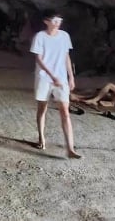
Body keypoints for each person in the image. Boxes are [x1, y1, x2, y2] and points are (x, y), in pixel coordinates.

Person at [30, 9, 82, 159]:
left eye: (59, 21)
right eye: (54, 20)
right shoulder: (40, 37)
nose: (57, 23)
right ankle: (41, 138)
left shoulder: (64, 36)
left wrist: (71, 77)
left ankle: (70, 149)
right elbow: (39, 59)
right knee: (42, 108)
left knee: (65, 111)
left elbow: (66, 56)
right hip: (44, 78)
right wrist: (52, 75)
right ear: (46, 21)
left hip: (61, 79)